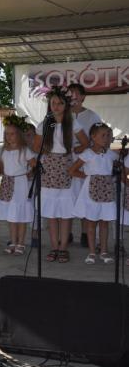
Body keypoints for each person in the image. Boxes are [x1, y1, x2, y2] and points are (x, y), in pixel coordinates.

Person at [33, 87, 88, 263]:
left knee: (65, 212)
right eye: (53, 103)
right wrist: (48, 154)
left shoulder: (72, 123)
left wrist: (73, 151)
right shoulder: (45, 124)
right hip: (49, 168)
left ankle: (63, 247)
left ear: (66, 105)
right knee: (51, 212)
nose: (56, 106)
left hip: (65, 167)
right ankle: (54, 246)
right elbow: (36, 146)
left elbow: (85, 142)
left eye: (60, 103)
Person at [70, 123, 117, 264]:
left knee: (104, 223)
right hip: (91, 191)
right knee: (91, 223)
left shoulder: (111, 155)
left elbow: (117, 169)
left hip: (107, 192)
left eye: (108, 135)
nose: (106, 138)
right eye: (103, 135)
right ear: (93, 137)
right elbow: (72, 170)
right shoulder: (88, 154)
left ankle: (103, 251)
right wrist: (87, 176)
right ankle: (91, 252)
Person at [68, 83, 102, 247]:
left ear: (83, 97)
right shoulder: (62, 116)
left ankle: (85, 233)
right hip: (66, 161)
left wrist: (83, 147)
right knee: (67, 197)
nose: (73, 96)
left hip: (85, 161)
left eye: (76, 93)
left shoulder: (92, 116)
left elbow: (99, 138)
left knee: (85, 196)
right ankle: (66, 233)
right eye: (70, 93)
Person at [0, 116, 36, 255]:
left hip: (20, 184)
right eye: (7, 134)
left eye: (12, 134)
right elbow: (1, 168)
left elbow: (34, 165)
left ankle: (21, 243)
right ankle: (13, 241)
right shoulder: (2, 151)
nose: (9, 136)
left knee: (21, 215)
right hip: (7, 183)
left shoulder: (24, 150)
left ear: (19, 134)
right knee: (11, 216)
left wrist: (29, 173)